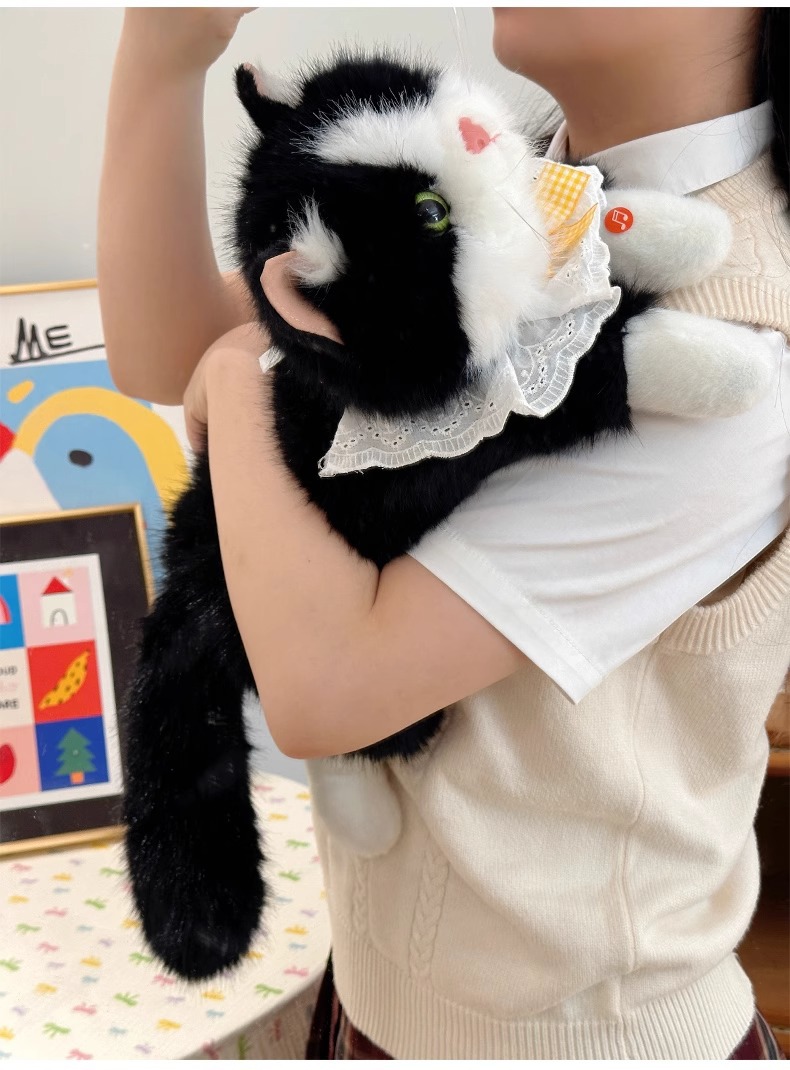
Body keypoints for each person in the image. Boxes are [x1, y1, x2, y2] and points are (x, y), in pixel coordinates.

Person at [98, 7, 790, 1060]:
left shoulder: (740, 341)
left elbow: (331, 688)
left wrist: (238, 375)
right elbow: (163, 350)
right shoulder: (514, 178)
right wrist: (164, 49)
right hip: (385, 1001)